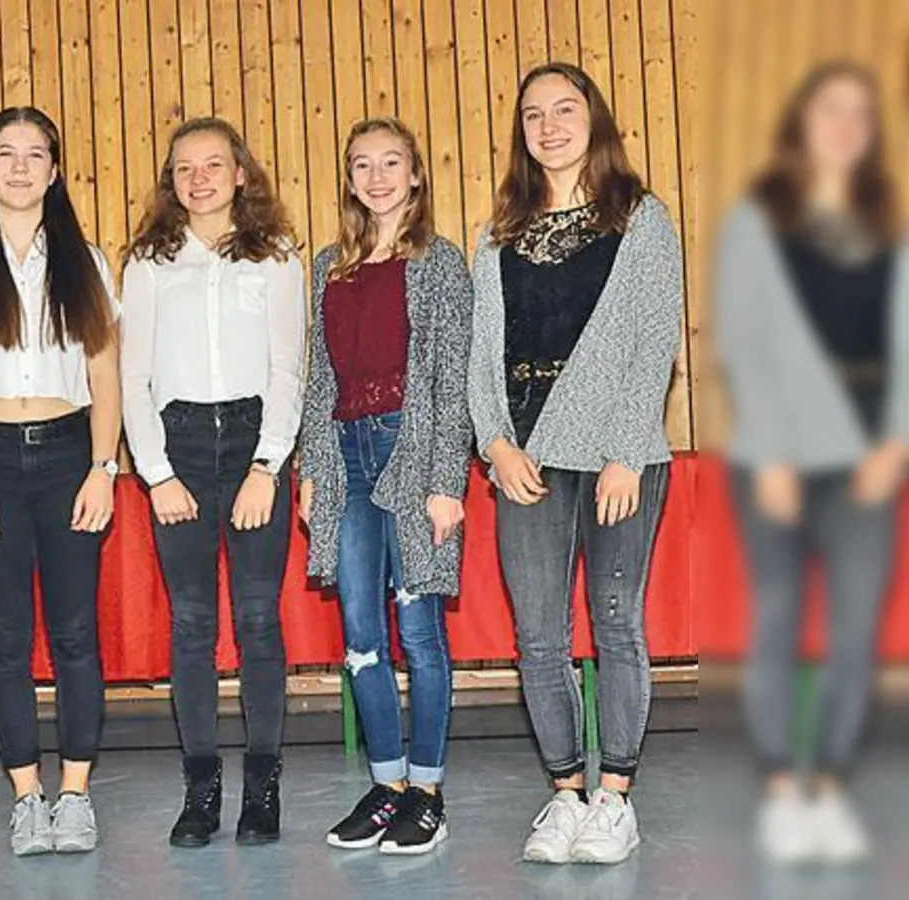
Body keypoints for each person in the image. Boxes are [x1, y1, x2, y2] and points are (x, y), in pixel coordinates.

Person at [467, 62, 682, 865]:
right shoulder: (501, 234)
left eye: (565, 109)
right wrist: (492, 442)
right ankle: (565, 794)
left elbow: (654, 340)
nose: (550, 126)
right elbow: (482, 356)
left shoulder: (640, 217)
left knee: (618, 624)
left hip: (618, 457)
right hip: (525, 460)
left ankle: (615, 798)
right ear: (521, 133)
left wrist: (629, 450)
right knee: (538, 636)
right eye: (533, 115)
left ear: (594, 119)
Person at [716, 62, 904, 865]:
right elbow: (745, 345)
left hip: (867, 458)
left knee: (855, 632)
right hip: (779, 457)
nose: (846, 127)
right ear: (803, 122)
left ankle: (828, 787)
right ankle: (779, 794)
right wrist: (775, 453)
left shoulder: (889, 226)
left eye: (861, 116)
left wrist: (893, 446)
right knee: (778, 624)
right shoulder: (759, 223)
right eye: (833, 111)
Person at [120, 116, 305, 848]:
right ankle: (201, 789)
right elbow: (134, 378)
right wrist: (158, 472)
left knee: (258, 619)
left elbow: (289, 367)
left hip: (256, 442)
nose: (199, 179)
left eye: (213, 165)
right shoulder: (148, 261)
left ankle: (263, 785)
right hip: (181, 449)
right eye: (184, 168)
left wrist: (268, 465)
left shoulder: (277, 255)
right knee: (193, 623)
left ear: (239, 173)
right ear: (171, 182)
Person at [0, 107, 120, 857]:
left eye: (35, 154)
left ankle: (75, 793)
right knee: (7, 638)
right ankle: (26, 796)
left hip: (68, 452)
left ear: (55, 169)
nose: (19, 167)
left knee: (76, 634)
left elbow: (105, 372)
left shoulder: (87, 261)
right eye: (4, 154)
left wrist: (103, 467)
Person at [298, 117, 473, 855]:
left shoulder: (439, 261)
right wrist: (312, 468)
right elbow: (318, 376)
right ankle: (388, 783)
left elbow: (450, 378)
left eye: (390, 163)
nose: (376, 177)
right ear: (349, 178)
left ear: (415, 174)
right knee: (362, 638)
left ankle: (428, 791)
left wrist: (445, 480)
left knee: (421, 633)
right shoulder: (329, 266)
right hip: (345, 454)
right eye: (362, 165)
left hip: (412, 451)